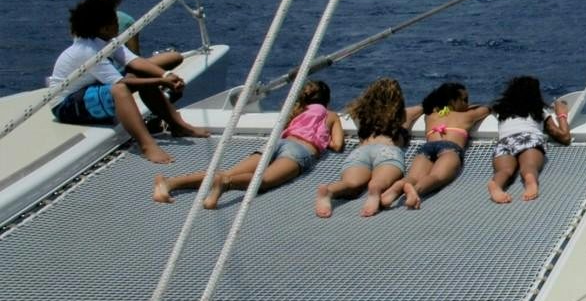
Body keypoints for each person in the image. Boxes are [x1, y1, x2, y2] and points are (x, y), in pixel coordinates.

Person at [48, 0, 208, 164]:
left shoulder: (106, 41)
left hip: (90, 90)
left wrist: (165, 75)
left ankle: (177, 125)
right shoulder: (88, 50)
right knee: (120, 90)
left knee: (154, 66)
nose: (118, 23)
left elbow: (135, 62)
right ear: (102, 28)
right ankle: (147, 144)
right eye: (114, 21)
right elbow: (120, 84)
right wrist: (160, 82)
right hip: (66, 106)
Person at [154, 80, 342, 208]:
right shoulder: (331, 115)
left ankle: (170, 183)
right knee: (264, 180)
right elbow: (337, 145)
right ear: (327, 100)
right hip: (300, 151)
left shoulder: (298, 111)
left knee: (227, 170)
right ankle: (226, 184)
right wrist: (326, 142)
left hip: (278, 143)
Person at [315, 78, 423, 218]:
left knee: (351, 184)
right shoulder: (403, 115)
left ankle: (329, 190)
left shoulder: (361, 115)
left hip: (361, 152)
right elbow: (425, 106)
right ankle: (376, 189)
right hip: (387, 151)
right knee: (382, 181)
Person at [380, 82, 489, 210]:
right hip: (450, 148)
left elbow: (424, 107)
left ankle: (398, 187)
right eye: (464, 100)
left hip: (427, 147)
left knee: (413, 176)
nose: (467, 103)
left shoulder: (431, 115)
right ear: (453, 101)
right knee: (437, 177)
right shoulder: (467, 116)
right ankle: (416, 191)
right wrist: (472, 107)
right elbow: (486, 109)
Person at [487, 76, 571, 204]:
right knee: (529, 166)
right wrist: (562, 114)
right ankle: (530, 181)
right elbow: (564, 137)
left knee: (504, 170)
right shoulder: (539, 111)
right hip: (529, 138)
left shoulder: (500, 111)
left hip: (505, 141)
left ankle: (496, 184)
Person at [86, 0, 184, 71]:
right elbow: (135, 59)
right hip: (121, 75)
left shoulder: (82, 19)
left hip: (93, 73)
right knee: (174, 56)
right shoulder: (125, 21)